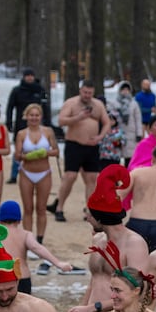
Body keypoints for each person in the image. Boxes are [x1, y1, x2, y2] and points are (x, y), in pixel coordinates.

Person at [66, 174, 152, 312]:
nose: (86, 218)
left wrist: (92, 307)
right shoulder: (98, 240)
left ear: (100, 217)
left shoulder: (134, 244)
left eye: (89, 213)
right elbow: (94, 281)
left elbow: (139, 292)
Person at [52, 80, 109, 222]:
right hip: (74, 144)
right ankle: (59, 207)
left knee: (91, 179)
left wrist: (100, 136)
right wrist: (78, 117)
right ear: (80, 91)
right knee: (70, 176)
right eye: (85, 92)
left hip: (92, 146)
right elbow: (60, 121)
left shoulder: (98, 105)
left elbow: (107, 122)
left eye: (90, 93)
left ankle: (89, 210)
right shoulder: (71, 103)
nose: (87, 95)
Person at [13, 103, 59, 238]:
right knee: (28, 208)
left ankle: (40, 238)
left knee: (41, 208)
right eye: (31, 115)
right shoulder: (21, 134)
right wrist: (26, 156)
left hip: (44, 173)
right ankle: (28, 237)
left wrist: (45, 153)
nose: (34, 118)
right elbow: (16, 155)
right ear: (26, 117)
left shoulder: (48, 132)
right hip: (26, 173)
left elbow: (56, 151)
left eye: (36, 115)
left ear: (41, 117)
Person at [5, 68, 53, 185]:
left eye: (31, 75)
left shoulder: (40, 90)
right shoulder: (17, 91)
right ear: (23, 77)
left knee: (37, 148)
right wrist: (9, 122)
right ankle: (14, 174)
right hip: (21, 124)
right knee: (19, 149)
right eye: (27, 75)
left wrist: (48, 123)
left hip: (38, 125)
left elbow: (46, 107)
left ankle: (36, 170)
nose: (29, 78)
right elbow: (10, 107)